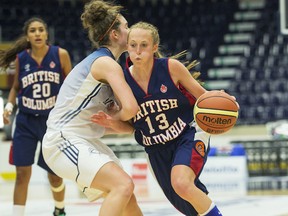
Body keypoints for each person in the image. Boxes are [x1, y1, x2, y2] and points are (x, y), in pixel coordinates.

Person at [91, 22, 239, 216]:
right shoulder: (122, 81)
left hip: (186, 135)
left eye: (144, 45)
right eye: (133, 44)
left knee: (182, 184)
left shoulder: (171, 68)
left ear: (154, 47)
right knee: (187, 206)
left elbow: (203, 97)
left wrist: (223, 101)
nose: (137, 51)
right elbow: (131, 128)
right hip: (155, 150)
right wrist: (112, 123)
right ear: (127, 47)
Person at [42, 1, 143, 216]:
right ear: (115, 34)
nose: (130, 30)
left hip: (85, 141)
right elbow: (131, 109)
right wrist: (118, 117)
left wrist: (116, 121)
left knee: (128, 197)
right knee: (122, 186)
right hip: (62, 140)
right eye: (126, 26)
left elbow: (126, 127)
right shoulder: (106, 64)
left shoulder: (112, 68)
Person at [0, 17, 72, 216]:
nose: (38, 33)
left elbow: (72, 87)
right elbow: (15, 87)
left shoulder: (61, 55)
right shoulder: (21, 58)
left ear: (46, 34)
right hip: (25, 121)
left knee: (55, 176)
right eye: (33, 30)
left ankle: (59, 209)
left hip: (52, 122)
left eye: (41, 29)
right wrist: (8, 106)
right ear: (28, 36)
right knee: (22, 174)